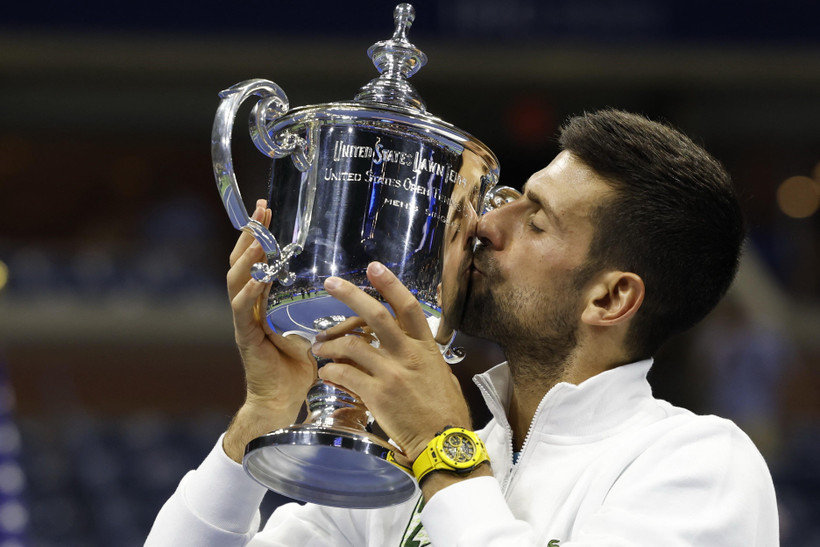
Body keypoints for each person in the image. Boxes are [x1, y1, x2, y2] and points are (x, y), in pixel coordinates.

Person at [146, 109, 778, 546]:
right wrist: (263, 414)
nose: (484, 227)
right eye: (509, 199)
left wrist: (442, 446)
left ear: (610, 297)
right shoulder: (403, 484)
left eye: (536, 224)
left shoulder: (700, 465)